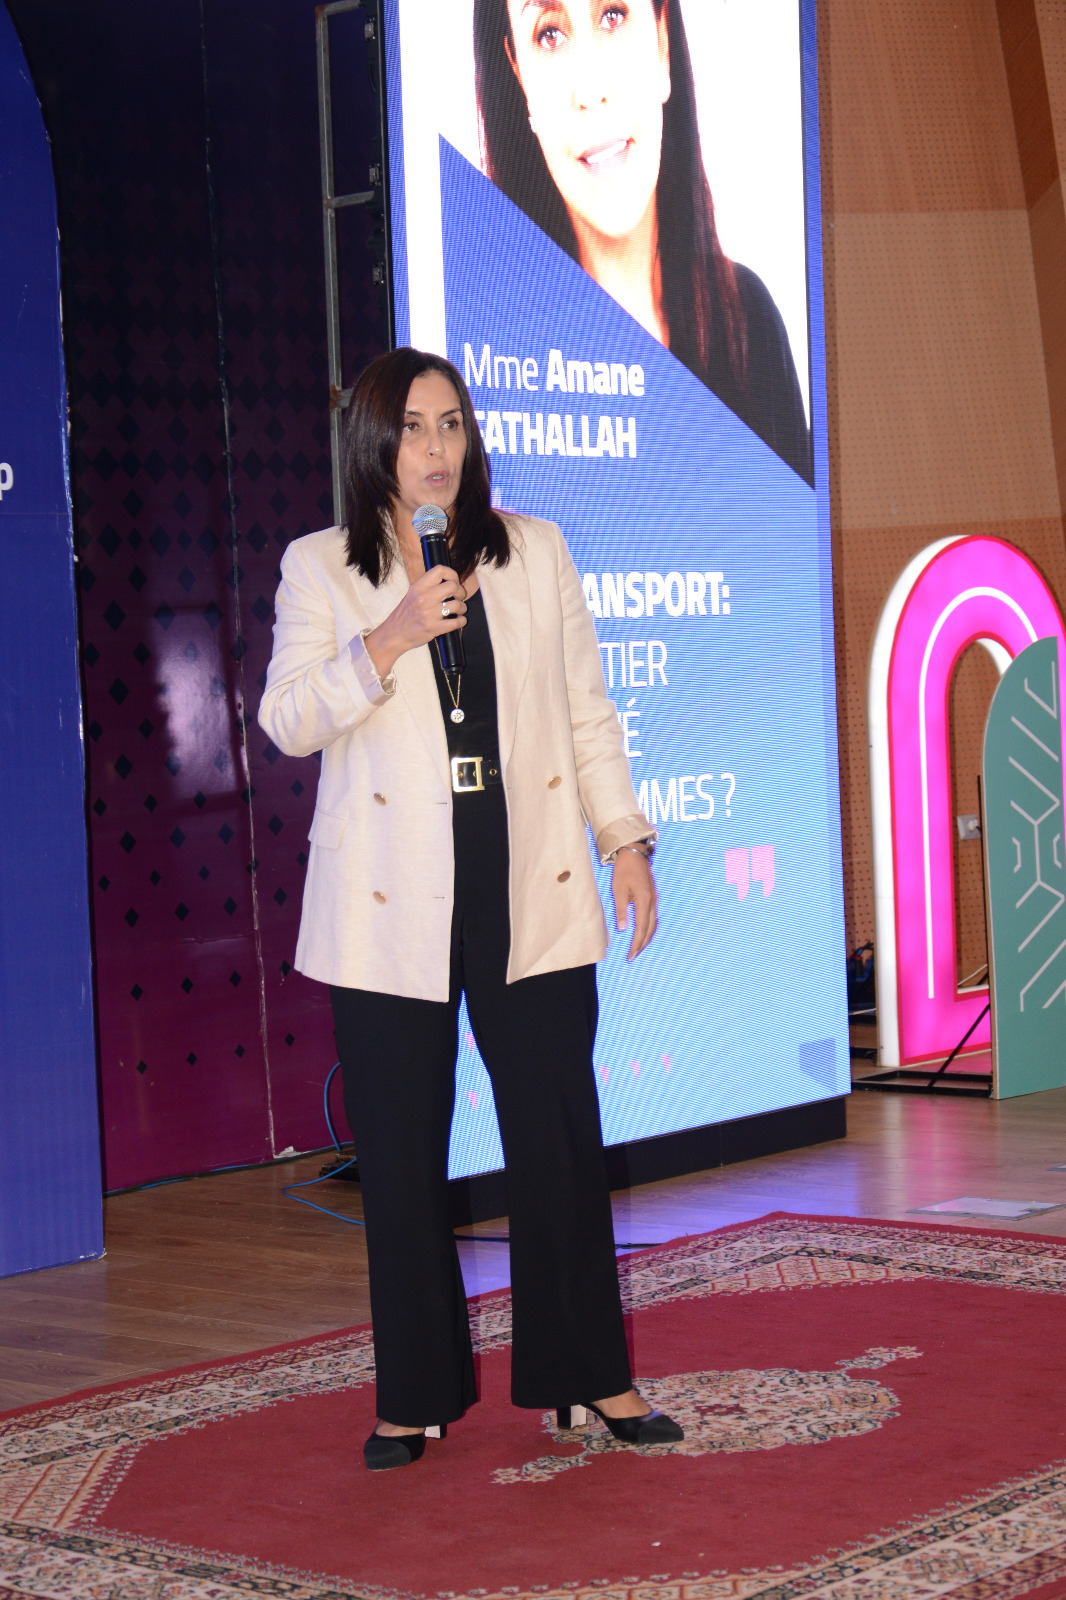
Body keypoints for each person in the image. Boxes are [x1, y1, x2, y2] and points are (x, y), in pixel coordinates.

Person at [259, 346, 683, 1471]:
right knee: (402, 1155)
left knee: (558, 1137)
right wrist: (391, 635)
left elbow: (586, 711)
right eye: (411, 427)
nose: (435, 448)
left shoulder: (532, 550)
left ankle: (589, 1376)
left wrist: (623, 838)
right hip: (388, 894)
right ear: (372, 442)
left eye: (450, 423)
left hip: (522, 867)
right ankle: (414, 1395)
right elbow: (287, 719)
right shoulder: (321, 568)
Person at [473, 0, 812, 482]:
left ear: (662, 44)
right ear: (519, 77)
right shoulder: (490, 354)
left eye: (612, 15)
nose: (591, 90)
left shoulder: (747, 319)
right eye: (549, 34)